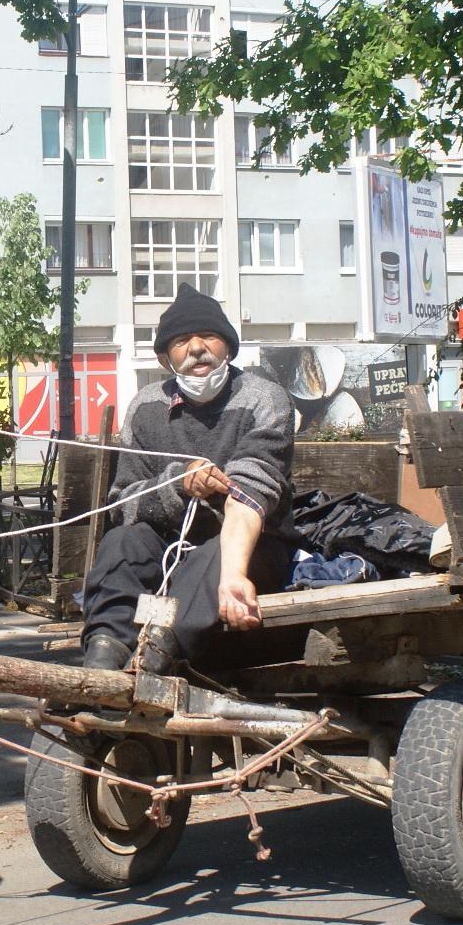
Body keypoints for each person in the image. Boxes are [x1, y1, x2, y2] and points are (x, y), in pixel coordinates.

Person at [80, 283, 295, 675]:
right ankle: (102, 659)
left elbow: (250, 493)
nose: (197, 348)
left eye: (208, 337)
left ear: (228, 347)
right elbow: (123, 502)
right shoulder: (145, 407)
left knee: (216, 552)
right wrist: (179, 483)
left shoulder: (265, 398)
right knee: (123, 542)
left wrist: (233, 576)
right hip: (170, 548)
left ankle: (154, 662)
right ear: (165, 358)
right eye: (182, 341)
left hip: (248, 549)